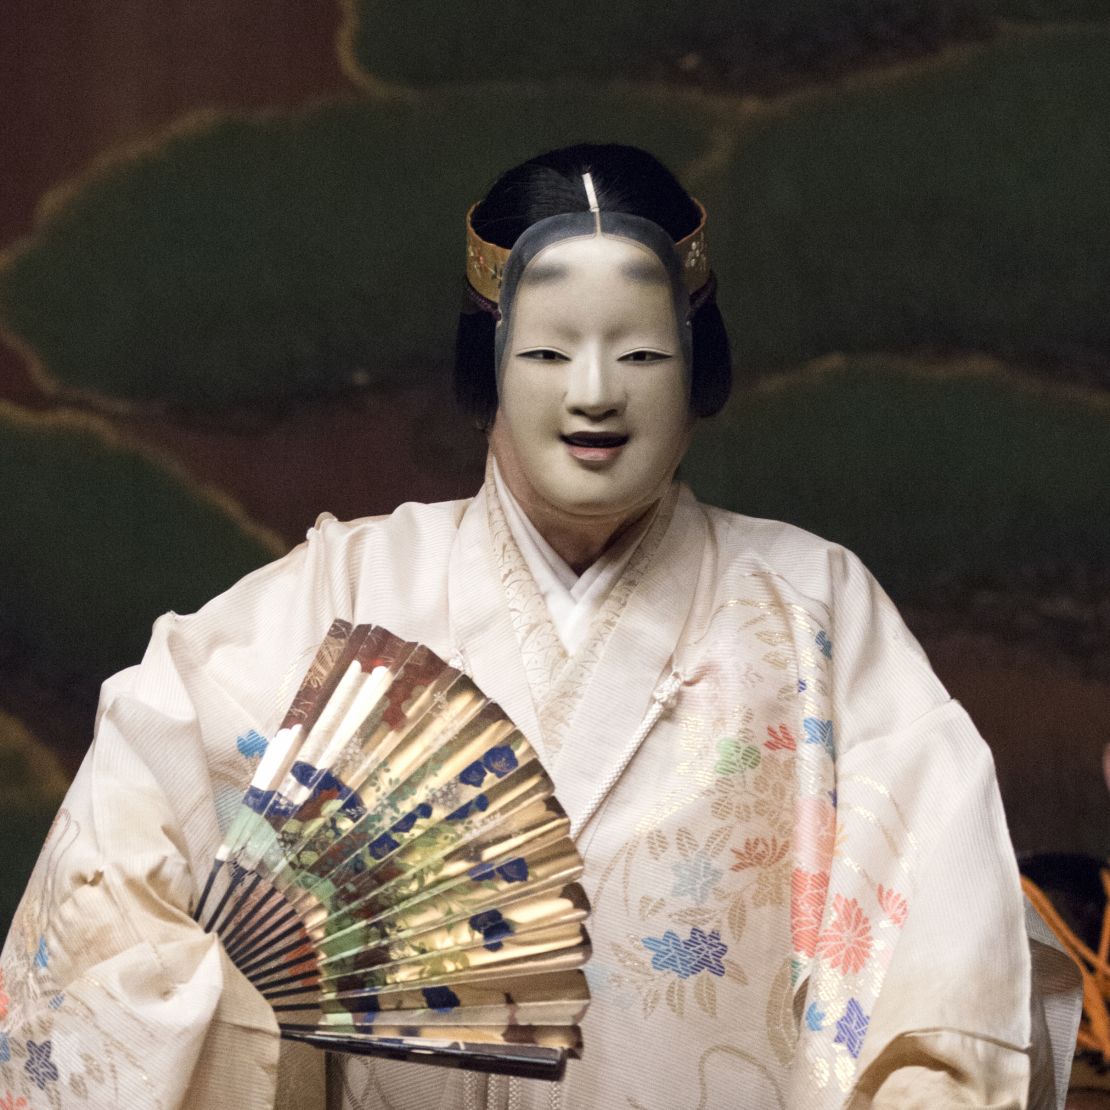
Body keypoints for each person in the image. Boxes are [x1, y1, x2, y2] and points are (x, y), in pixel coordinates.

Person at [0, 143, 1077, 1109]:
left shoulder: (817, 611)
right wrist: (228, 998)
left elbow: (941, 958)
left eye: (642, 354)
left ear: (697, 366)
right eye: (551, 353)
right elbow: (110, 896)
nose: (596, 394)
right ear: (490, 364)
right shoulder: (329, 605)